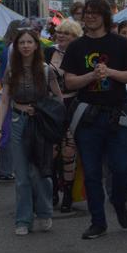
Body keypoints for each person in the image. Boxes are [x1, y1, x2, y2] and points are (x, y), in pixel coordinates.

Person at [61, 0, 127, 240]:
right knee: (92, 172)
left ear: (105, 16)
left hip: (117, 115)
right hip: (88, 117)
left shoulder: (119, 43)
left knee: (121, 167)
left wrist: (110, 72)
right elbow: (69, 81)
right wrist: (91, 77)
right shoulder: (76, 47)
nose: (90, 16)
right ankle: (98, 222)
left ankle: (118, 202)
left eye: (95, 12)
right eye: (87, 13)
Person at [0, 29, 62, 234]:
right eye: (21, 42)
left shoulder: (46, 70)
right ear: (16, 46)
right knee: (22, 175)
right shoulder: (11, 70)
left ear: (36, 45)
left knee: (40, 172)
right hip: (17, 122)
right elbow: (4, 100)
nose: (25, 46)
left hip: (40, 124)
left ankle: (45, 212)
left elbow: (58, 99)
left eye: (29, 42)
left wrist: (44, 112)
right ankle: (23, 219)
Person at [46, 18, 81, 213]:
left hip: (72, 105)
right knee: (51, 151)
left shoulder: (79, 54)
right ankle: (52, 192)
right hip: (51, 108)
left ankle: (68, 194)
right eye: (59, 32)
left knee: (69, 151)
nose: (61, 36)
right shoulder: (48, 52)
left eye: (66, 33)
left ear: (75, 37)